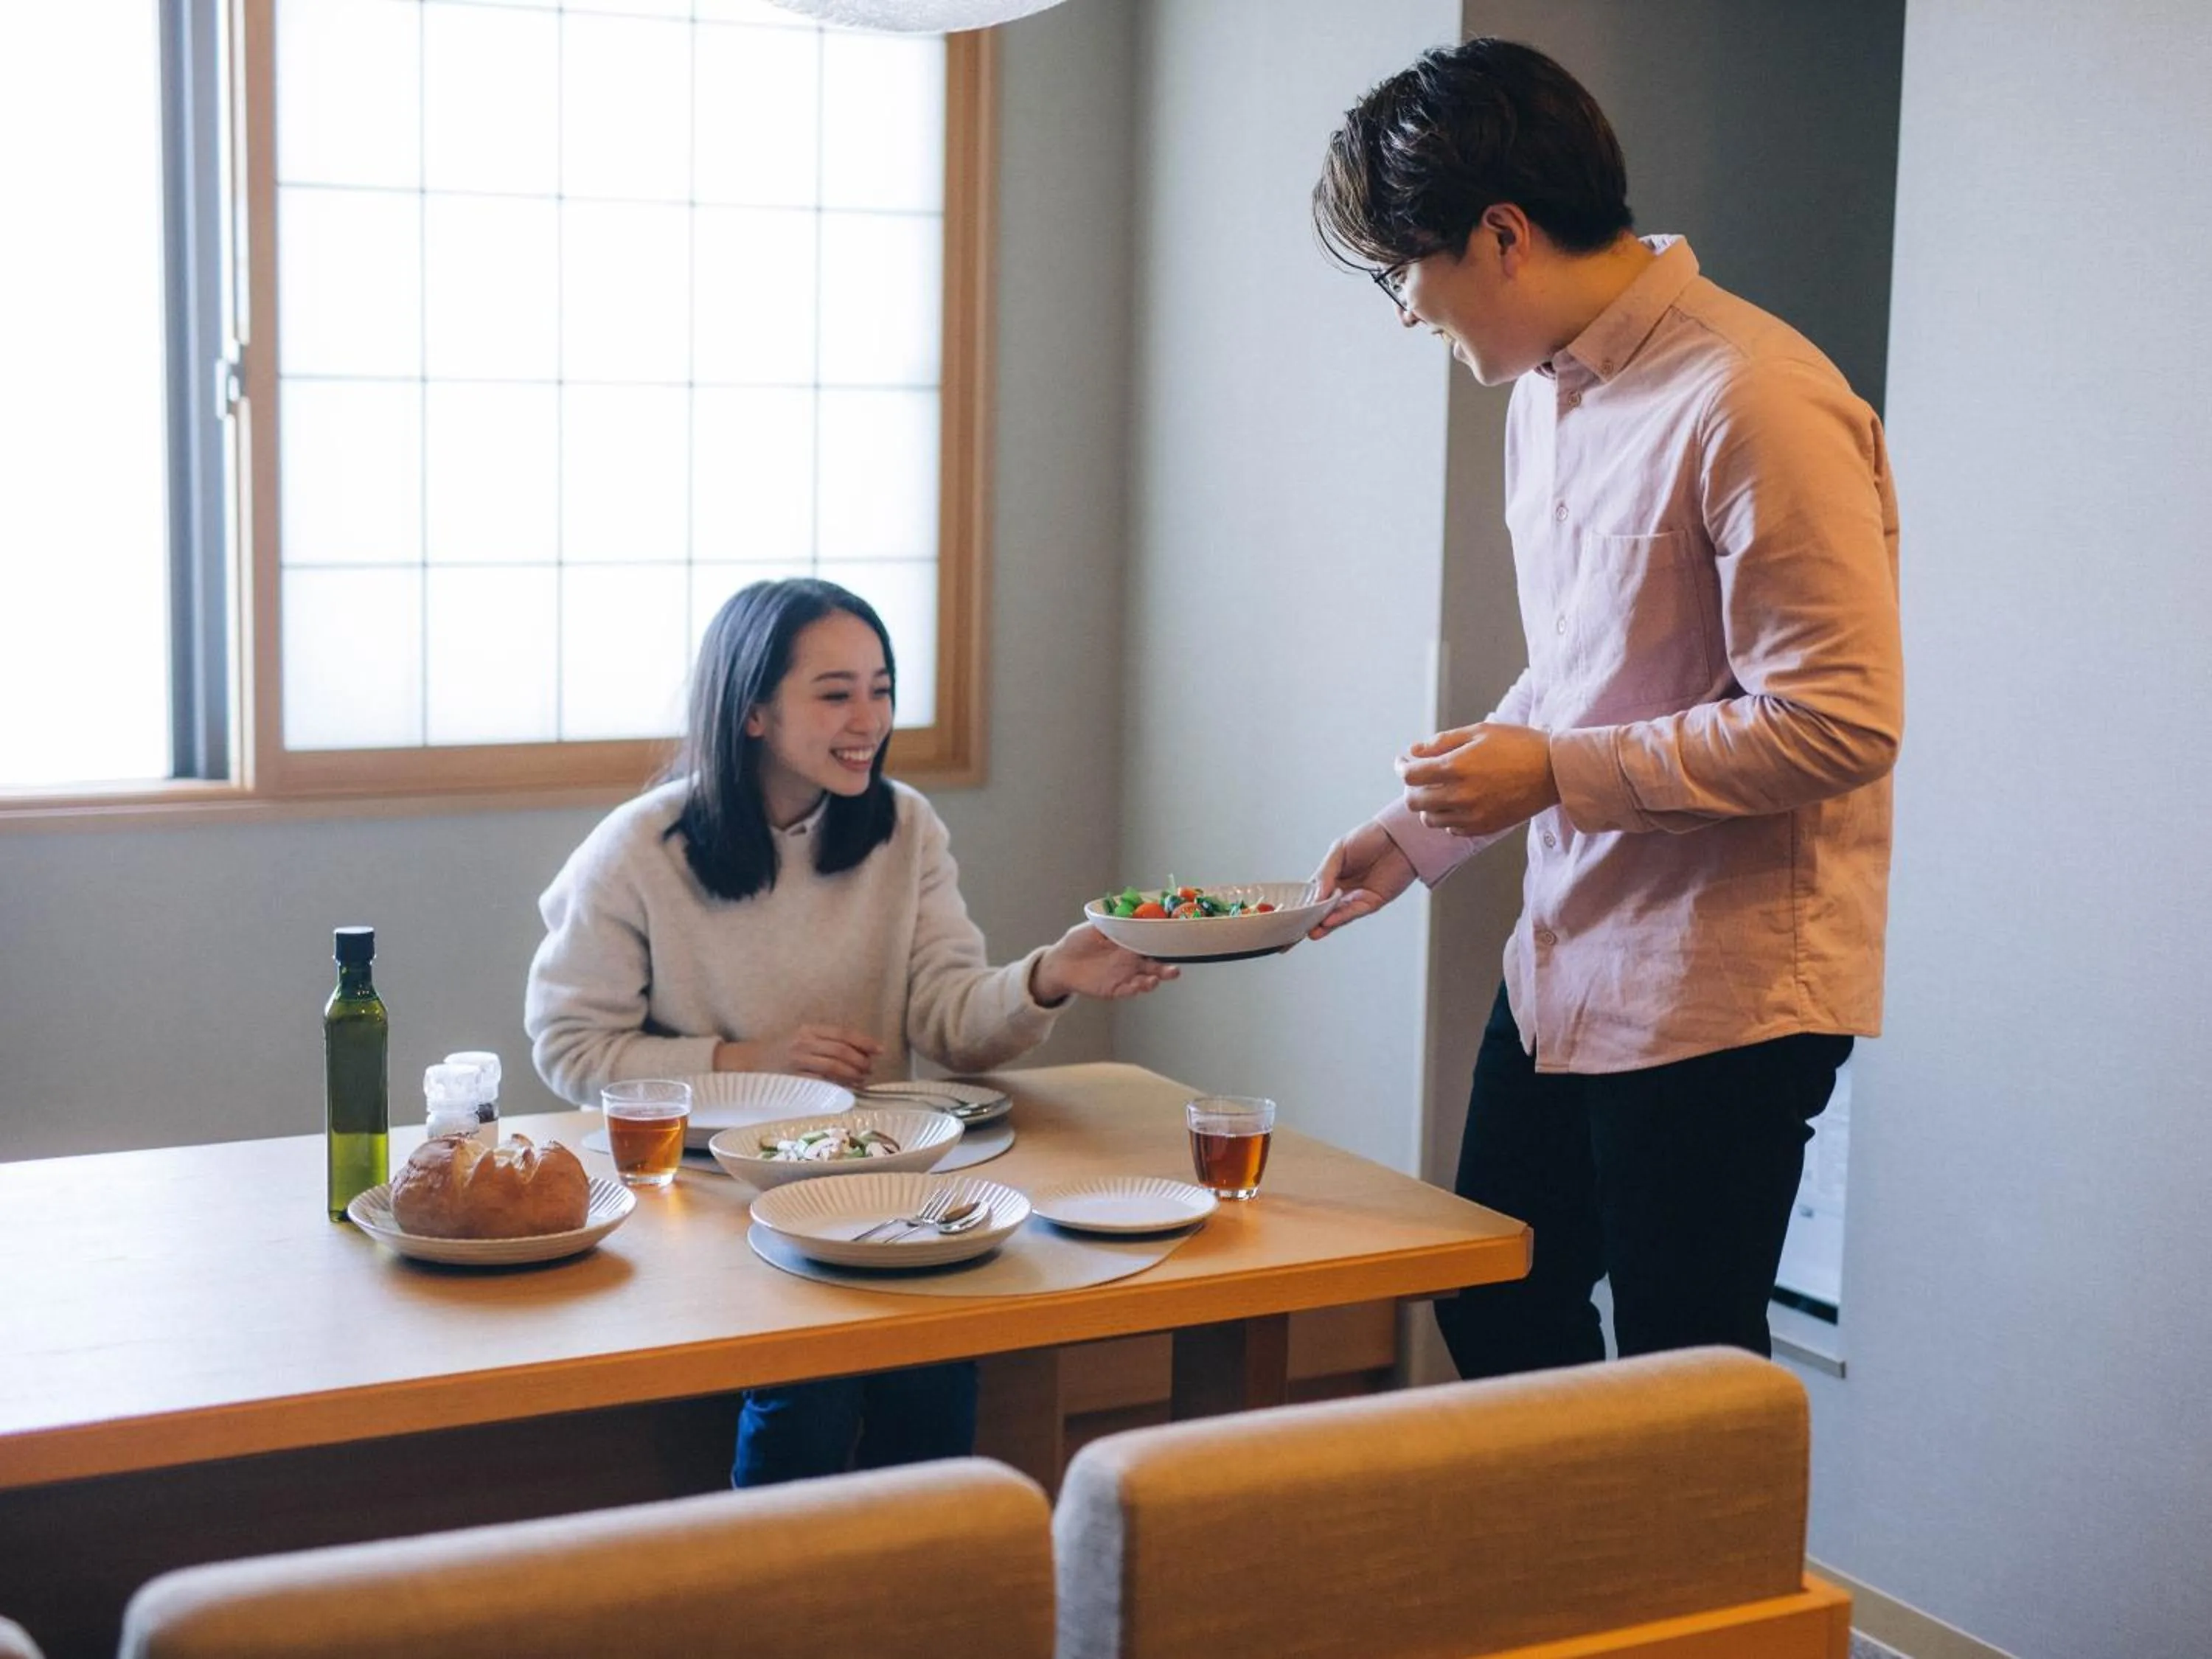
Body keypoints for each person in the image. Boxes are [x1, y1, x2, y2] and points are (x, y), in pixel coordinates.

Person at [1305, 39, 1902, 1378]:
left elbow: (1840, 720)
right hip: (1569, 950)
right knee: (1491, 1290)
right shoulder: (1549, 399)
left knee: (1688, 1366)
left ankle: (1686, 1594)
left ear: (1502, 235)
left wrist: (1555, 775)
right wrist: (1416, 837)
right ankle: (1582, 1583)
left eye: (1410, 267)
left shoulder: (1759, 399)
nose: (1408, 309)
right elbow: (1580, 676)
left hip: (1724, 986)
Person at [526, 577, 1175, 1484]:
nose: (868, 717)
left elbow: (951, 1020)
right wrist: (745, 1065)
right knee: (810, 1381)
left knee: (939, 1361)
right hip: (717, 1193)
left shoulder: (905, 827)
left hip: (882, 1177)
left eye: (882, 688)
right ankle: (785, 1607)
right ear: (753, 712)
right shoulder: (639, 848)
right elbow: (571, 1047)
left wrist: (1048, 976)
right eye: (835, 694)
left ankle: (919, 1594)